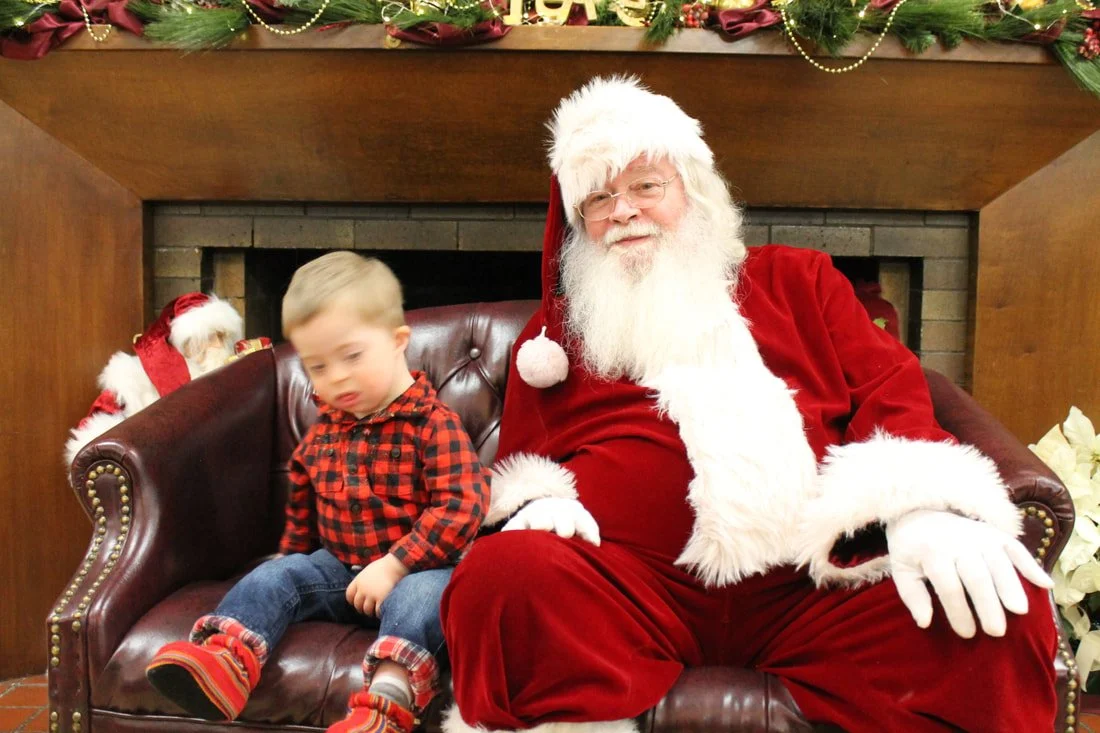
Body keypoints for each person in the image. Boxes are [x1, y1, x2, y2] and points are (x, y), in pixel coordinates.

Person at [439, 76, 1059, 733]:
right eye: (598, 197)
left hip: (813, 586)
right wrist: (541, 503)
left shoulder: (802, 280)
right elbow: (524, 463)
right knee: (498, 579)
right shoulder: (557, 338)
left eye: (646, 186)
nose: (622, 211)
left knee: (996, 606)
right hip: (629, 595)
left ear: (693, 193)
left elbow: (890, 388)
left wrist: (921, 506)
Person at [146, 252, 490, 733]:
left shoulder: (433, 425)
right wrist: (295, 553)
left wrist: (394, 564)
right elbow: (308, 505)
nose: (337, 378)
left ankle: (387, 705)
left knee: (419, 602)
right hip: (342, 569)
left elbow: (462, 505)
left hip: (420, 569)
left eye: (352, 356)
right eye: (319, 366)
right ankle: (226, 661)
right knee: (279, 575)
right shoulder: (331, 426)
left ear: (397, 343)